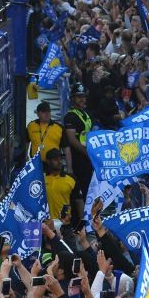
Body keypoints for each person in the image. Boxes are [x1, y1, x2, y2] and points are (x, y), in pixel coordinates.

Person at [63, 84, 93, 213]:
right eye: (78, 97)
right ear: (72, 98)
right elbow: (72, 140)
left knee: (87, 189)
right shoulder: (70, 116)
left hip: (87, 157)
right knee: (78, 192)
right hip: (78, 158)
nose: (82, 99)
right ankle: (77, 222)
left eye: (83, 97)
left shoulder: (85, 114)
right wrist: (86, 152)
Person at [44, 148, 76, 221]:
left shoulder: (71, 179)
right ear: (48, 161)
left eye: (61, 159)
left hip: (64, 223)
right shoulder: (41, 178)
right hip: (46, 224)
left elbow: (78, 200)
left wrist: (81, 219)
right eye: (55, 159)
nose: (59, 161)